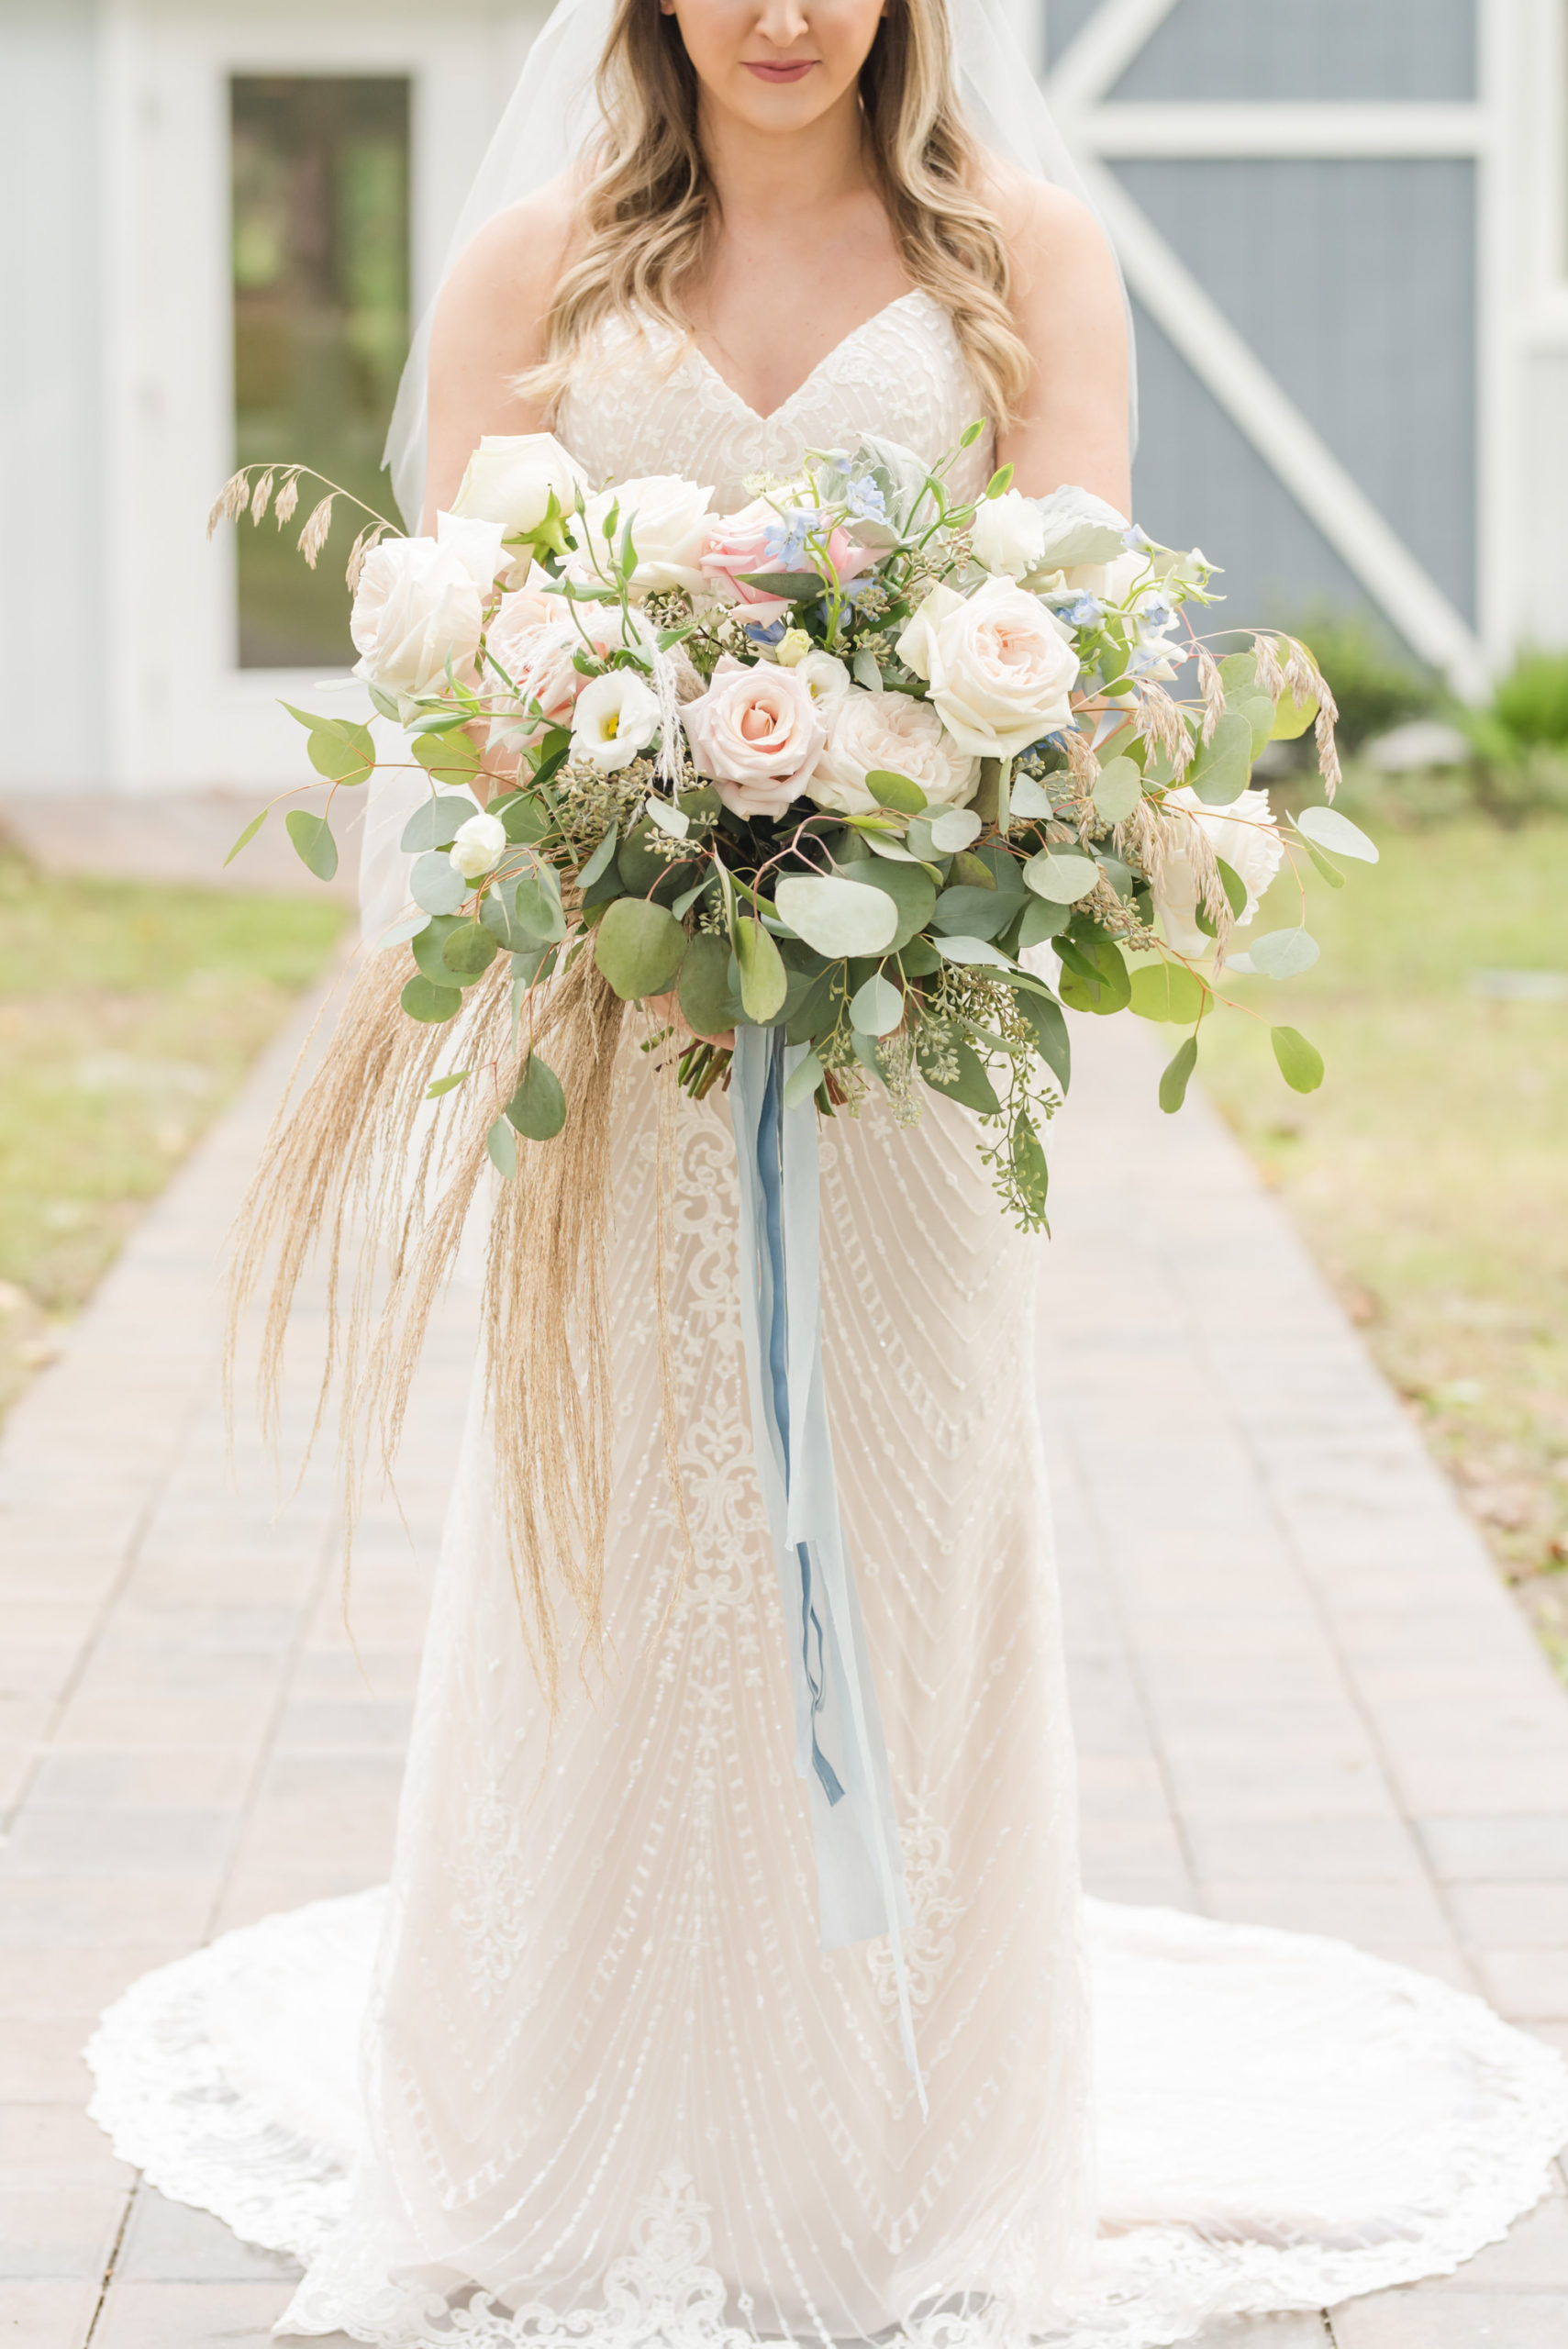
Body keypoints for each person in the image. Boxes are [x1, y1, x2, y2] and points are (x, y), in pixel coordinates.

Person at [85, 2, 1568, 2343]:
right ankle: (569, 2127)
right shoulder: (531, 274)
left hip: (896, 1066)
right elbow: (463, 694)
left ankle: (904, 2160)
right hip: (628, 1029)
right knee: (614, 1544)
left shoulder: (1022, 263)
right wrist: (631, 803)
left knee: (906, 1522)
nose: (783, 15)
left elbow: (1076, 664)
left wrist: (884, 777)